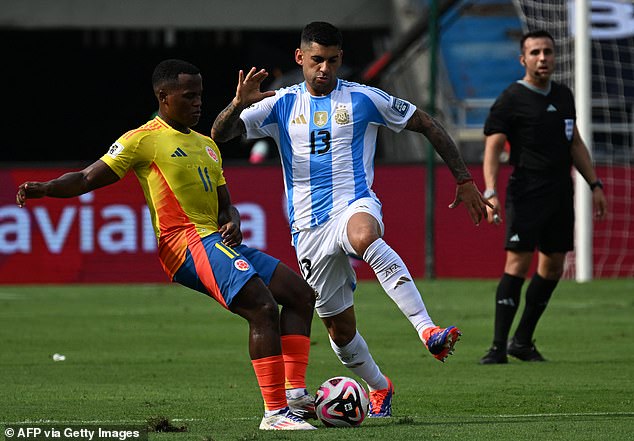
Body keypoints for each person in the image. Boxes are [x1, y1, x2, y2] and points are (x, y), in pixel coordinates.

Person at [15, 59, 318, 430]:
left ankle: (295, 395)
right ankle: (274, 414)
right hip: (184, 243)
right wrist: (44, 188)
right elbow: (85, 178)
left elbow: (227, 206)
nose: (198, 103)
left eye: (200, 95)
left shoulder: (207, 146)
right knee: (262, 306)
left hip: (216, 240)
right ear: (163, 96)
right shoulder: (142, 139)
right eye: (189, 96)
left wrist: (233, 223)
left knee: (300, 294)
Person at [211, 22, 490, 417]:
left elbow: (426, 123)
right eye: (316, 60)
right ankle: (380, 386)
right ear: (300, 58)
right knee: (340, 333)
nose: (324, 68)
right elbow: (219, 134)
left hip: (353, 205)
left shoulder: (363, 99)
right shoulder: (280, 103)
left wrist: (464, 179)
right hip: (307, 229)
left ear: (341, 59)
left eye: (332, 60)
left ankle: (428, 329)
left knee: (363, 235)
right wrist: (238, 104)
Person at [479, 30, 607, 364]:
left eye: (547, 52)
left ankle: (522, 341)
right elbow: (493, 147)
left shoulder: (564, 95)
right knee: (518, 263)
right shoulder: (511, 99)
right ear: (523, 59)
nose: (542, 58)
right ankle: (497, 348)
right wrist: (490, 191)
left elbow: (575, 142)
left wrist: (594, 185)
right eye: (535, 52)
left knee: (553, 267)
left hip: (560, 193)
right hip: (526, 192)